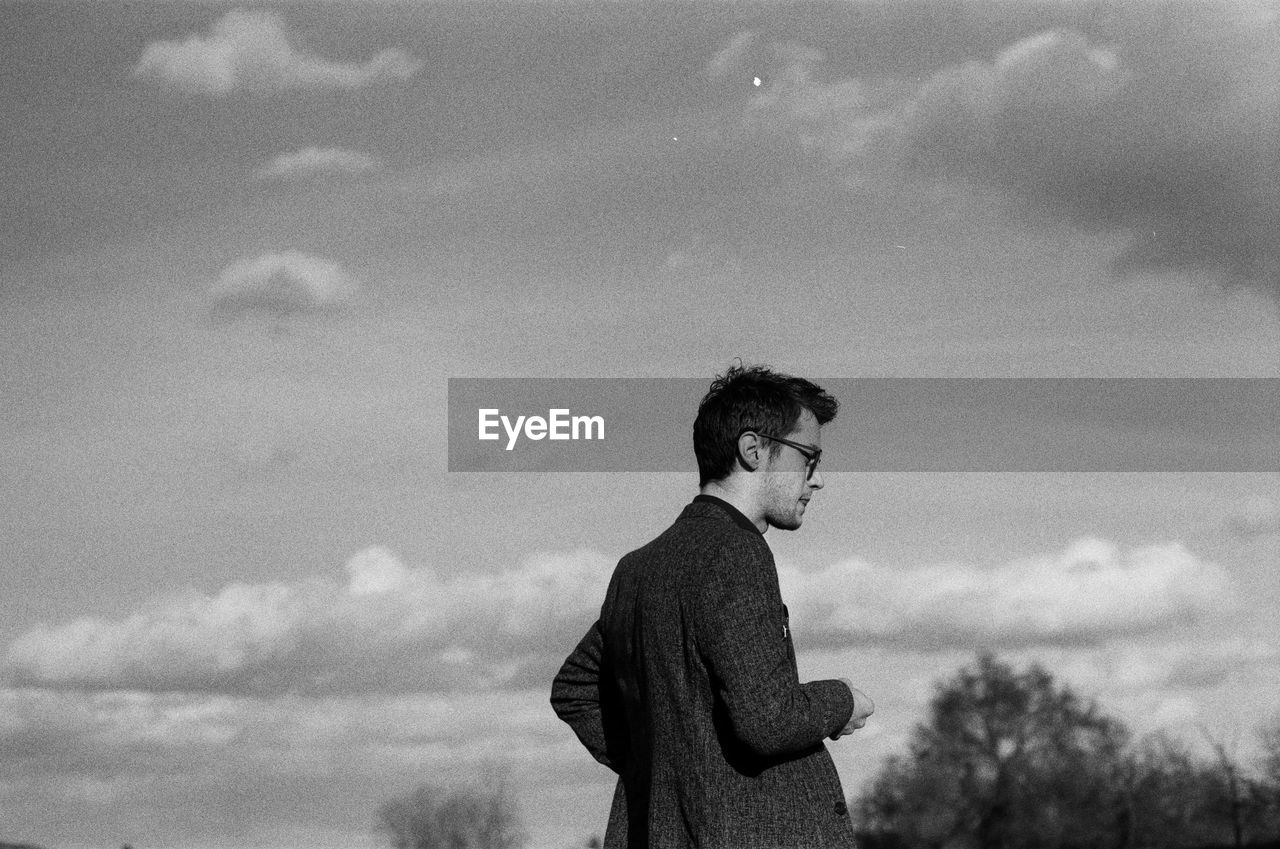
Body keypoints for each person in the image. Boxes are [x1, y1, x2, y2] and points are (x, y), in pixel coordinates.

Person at [551, 364, 875, 849]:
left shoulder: (638, 567)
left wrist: (663, 770)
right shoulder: (735, 551)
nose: (818, 479)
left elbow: (574, 688)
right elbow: (768, 720)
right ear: (752, 450)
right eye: (808, 457)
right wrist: (842, 700)